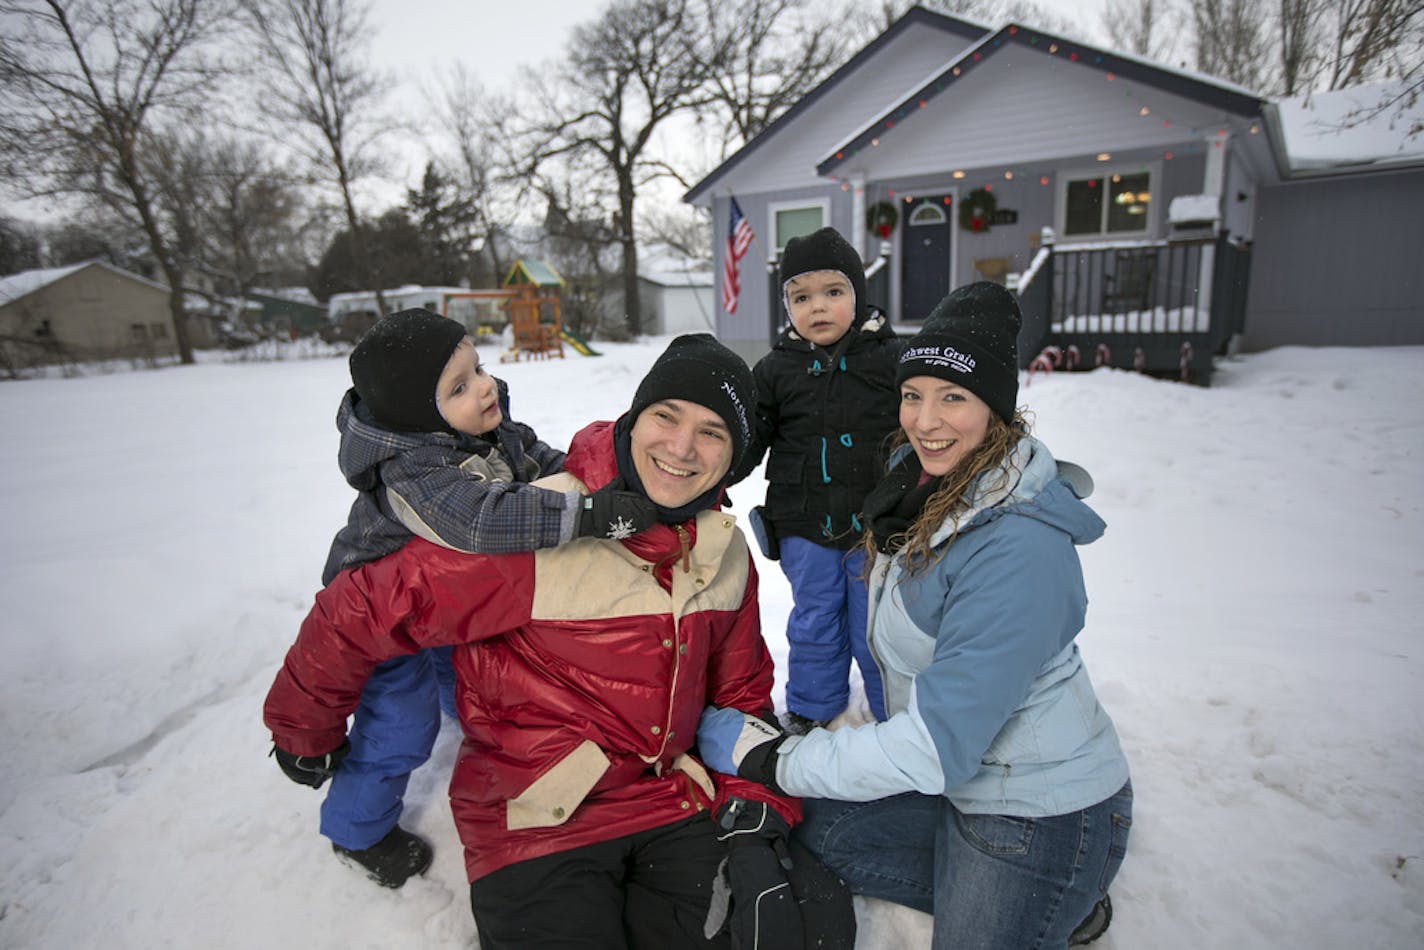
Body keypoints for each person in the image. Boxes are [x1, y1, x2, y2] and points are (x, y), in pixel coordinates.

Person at [265, 334, 854, 948]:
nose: (681, 448)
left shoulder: (722, 551)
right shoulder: (535, 528)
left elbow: (741, 695)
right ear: (633, 420)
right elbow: (356, 612)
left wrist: (756, 813)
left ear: (733, 458)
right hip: (539, 817)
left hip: (671, 804)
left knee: (805, 927)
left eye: (712, 432)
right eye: (666, 416)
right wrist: (303, 733)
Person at [698, 283, 1133, 948]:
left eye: (953, 397)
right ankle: (1011, 891)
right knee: (816, 827)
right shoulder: (921, 487)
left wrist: (778, 759)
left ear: (997, 408)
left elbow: (934, 749)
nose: (925, 420)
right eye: (913, 394)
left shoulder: (1018, 548)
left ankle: (1060, 893)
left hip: (1038, 809)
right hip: (959, 780)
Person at [305, 308, 656, 888]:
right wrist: (589, 516)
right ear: (418, 413)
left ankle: (457, 712)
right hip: (387, 621)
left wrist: (600, 482)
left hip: (444, 603)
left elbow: (541, 466)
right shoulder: (413, 470)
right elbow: (483, 521)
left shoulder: (483, 429)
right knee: (399, 726)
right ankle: (356, 830)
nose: (485, 386)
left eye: (479, 368)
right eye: (459, 386)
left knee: (470, 671)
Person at [730, 226, 901, 732]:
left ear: (858, 295)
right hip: (802, 519)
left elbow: (921, 425)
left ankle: (892, 708)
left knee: (876, 625)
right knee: (816, 620)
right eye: (801, 297)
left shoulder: (890, 360)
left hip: (878, 526)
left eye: (834, 292)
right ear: (787, 306)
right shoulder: (775, 369)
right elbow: (750, 436)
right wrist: (714, 479)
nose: (817, 307)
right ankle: (811, 706)